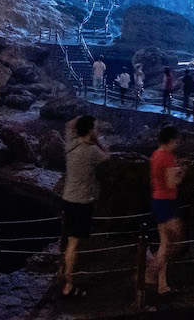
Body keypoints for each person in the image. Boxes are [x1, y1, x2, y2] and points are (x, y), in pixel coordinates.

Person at [60, 115, 109, 298]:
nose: (96, 130)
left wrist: (81, 126)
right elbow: (107, 156)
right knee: (74, 243)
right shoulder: (91, 152)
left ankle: (61, 274)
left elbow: (68, 124)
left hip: (68, 197)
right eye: (94, 128)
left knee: (66, 239)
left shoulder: (70, 145)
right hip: (82, 201)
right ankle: (68, 284)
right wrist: (97, 141)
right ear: (90, 130)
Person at [147, 126, 183, 296]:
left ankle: (161, 282)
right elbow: (171, 183)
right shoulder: (168, 157)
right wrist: (181, 174)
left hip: (157, 199)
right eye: (176, 140)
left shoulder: (156, 154)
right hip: (167, 201)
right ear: (171, 140)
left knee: (166, 242)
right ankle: (151, 271)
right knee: (173, 243)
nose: (177, 143)